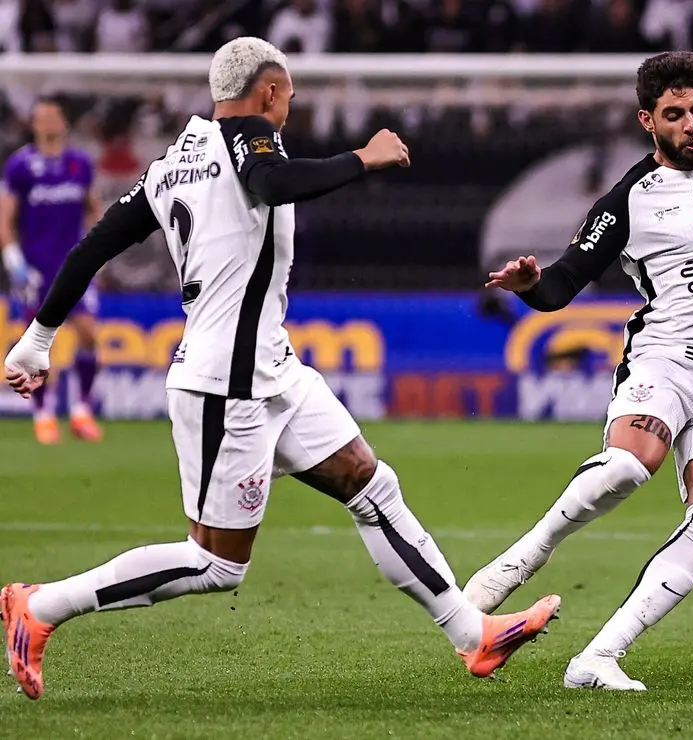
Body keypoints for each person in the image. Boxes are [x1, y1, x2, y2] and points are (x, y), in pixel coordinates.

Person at [1, 37, 559, 702]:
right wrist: (363, 158)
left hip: (274, 368)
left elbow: (92, 246)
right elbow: (269, 180)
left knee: (369, 483)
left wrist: (38, 338)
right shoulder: (248, 138)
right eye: (288, 96)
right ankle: (40, 605)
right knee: (215, 564)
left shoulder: (170, 166)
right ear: (268, 91)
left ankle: (474, 634)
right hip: (225, 383)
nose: (289, 109)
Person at [464, 51, 693, 691]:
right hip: (667, 358)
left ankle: (598, 658)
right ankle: (523, 558)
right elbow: (561, 286)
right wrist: (531, 283)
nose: (691, 124)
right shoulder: (630, 198)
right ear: (647, 121)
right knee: (628, 466)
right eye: (674, 115)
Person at [1, 96, 105, 444]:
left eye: (52, 117)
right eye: (40, 117)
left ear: (63, 122)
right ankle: (43, 414)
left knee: (88, 333)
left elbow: (94, 209)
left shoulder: (80, 164)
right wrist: (14, 259)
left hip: (74, 265)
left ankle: (81, 410)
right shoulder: (20, 166)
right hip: (36, 269)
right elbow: (5, 219)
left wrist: (99, 246)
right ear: (33, 124)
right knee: (35, 342)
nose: (46, 123)